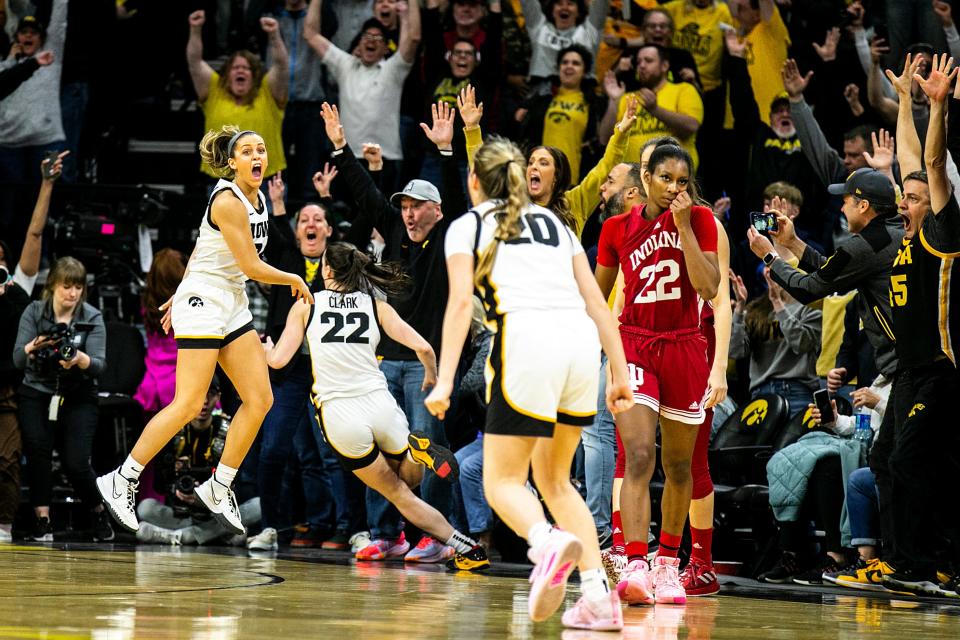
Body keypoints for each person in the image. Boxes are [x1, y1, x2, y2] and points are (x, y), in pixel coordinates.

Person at [426, 136, 633, 630]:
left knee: (501, 481)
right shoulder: (555, 224)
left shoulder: (467, 225)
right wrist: (620, 371)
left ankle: (545, 543)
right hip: (581, 348)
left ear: (474, 181)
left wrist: (445, 380)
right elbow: (598, 304)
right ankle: (598, 598)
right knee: (557, 481)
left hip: (526, 341)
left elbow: (458, 307)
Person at [96, 126, 313, 537]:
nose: (256, 156)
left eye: (261, 150)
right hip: (207, 300)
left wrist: (177, 292)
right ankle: (121, 479)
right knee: (189, 401)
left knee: (260, 397)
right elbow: (251, 267)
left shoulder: (260, 197)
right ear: (232, 162)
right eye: (246, 151)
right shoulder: (229, 200)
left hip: (229, 298)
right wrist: (294, 279)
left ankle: (219, 484)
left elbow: (201, 245)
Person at [266, 242, 489, 570]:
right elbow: (425, 348)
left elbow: (279, 359)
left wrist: (265, 350)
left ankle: (460, 543)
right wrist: (431, 377)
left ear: (326, 271)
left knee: (399, 493)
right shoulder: (375, 305)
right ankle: (463, 539)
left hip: (341, 413)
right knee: (408, 481)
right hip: (379, 403)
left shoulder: (306, 306)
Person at [594, 144, 720, 605]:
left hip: (687, 346)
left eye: (682, 181)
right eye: (665, 178)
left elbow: (708, 287)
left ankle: (669, 565)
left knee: (680, 466)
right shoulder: (615, 228)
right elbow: (598, 297)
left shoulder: (700, 220)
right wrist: (608, 354)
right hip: (635, 346)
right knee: (640, 455)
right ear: (645, 178)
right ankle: (636, 563)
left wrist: (684, 226)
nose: (674, 189)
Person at [881, 54, 960, 597]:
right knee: (882, 459)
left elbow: (930, 166)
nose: (902, 203)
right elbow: (909, 163)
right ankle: (898, 563)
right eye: (902, 197)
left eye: (911, 199)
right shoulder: (909, 227)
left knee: (915, 461)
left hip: (942, 370)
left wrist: (936, 106)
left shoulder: (943, 231)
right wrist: (905, 103)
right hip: (908, 371)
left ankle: (936, 565)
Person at [13, 256, 112, 542]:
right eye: (67, 286)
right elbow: (18, 359)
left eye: (78, 287)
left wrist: (79, 359)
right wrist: (36, 345)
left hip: (78, 394)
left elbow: (100, 364)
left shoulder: (91, 316)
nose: (72, 294)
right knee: (38, 452)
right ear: (52, 286)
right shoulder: (34, 312)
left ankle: (97, 511)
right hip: (37, 391)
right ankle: (42, 521)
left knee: (76, 461)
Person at [463, 84, 639, 239]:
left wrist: (621, 133)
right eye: (531, 162)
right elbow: (483, 172)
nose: (533, 167)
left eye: (543, 163)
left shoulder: (575, 202)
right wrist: (472, 129)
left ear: (557, 176)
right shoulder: (513, 203)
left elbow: (605, 167)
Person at [0, 151, 65, 542]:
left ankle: (4, 524)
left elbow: (34, 235)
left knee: (7, 459)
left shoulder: (17, 295)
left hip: (8, 391)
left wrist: (46, 184)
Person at [304, 0, 421, 192]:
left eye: (378, 38)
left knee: (382, 217)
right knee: (349, 219)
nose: (371, 40)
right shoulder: (345, 65)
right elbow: (310, 34)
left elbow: (413, 38)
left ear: (386, 49)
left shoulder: (394, 69)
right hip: (348, 157)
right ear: (358, 44)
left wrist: (411, 7)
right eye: (366, 36)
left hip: (386, 157)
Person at [136, 377, 261, 546]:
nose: (204, 401)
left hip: (217, 512)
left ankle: (179, 537)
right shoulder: (172, 429)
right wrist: (176, 490)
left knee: (258, 506)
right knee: (145, 507)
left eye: (210, 394)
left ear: (218, 397)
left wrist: (208, 495)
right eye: (199, 394)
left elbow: (238, 482)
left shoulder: (229, 430)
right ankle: (217, 535)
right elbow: (159, 482)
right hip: (181, 512)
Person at [187, 10, 289, 183]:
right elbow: (195, 62)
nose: (240, 70)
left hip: (264, 180)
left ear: (254, 75)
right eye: (235, 68)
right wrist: (195, 29)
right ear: (227, 74)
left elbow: (281, 65)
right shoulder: (214, 91)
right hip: (221, 180)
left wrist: (274, 35)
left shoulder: (268, 93)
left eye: (246, 68)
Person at [729, 266, 823, 416]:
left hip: (796, 390)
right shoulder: (756, 310)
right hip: (760, 392)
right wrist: (740, 307)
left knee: (795, 440)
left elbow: (801, 344)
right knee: (763, 441)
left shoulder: (810, 308)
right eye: (768, 272)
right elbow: (736, 351)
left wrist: (778, 303)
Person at [598, 44, 703, 170]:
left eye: (648, 61)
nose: (641, 66)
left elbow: (691, 126)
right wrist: (614, 100)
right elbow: (604, 139)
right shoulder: (628, 97)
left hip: (672, 179)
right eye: (639, 62)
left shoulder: (684, 89)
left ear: (664, 66)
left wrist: (655, 110)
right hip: (633, 181)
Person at [516, 44, 606, 183]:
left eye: (576, 63)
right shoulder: (542, 99)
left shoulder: (593, 103)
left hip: (575, 179)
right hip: (539, 178)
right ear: (558, 68)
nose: (569, 66)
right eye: (565, 62)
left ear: (584, 71)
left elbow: (600, 140)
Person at [0, 4, 68, 186]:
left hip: (48, 141)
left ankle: (55, 215)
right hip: (8, 144)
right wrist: (10, 61)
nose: (28, 35)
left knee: (49, 194)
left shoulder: (50, 58)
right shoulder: (6, 65)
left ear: (42, 38)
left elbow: (58, 23)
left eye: (34, 33)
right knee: (8, 205)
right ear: (15, 37)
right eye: (23, 32)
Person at [518, 0, 610, 92]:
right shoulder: (539, 29)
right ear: (552, 11)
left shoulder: (590, 32)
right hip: (542, 96)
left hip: (581, 96)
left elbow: (601, 4)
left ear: (578, 12)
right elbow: (527, 2)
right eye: (559, 4)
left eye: (570, 4)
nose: (564, 7)